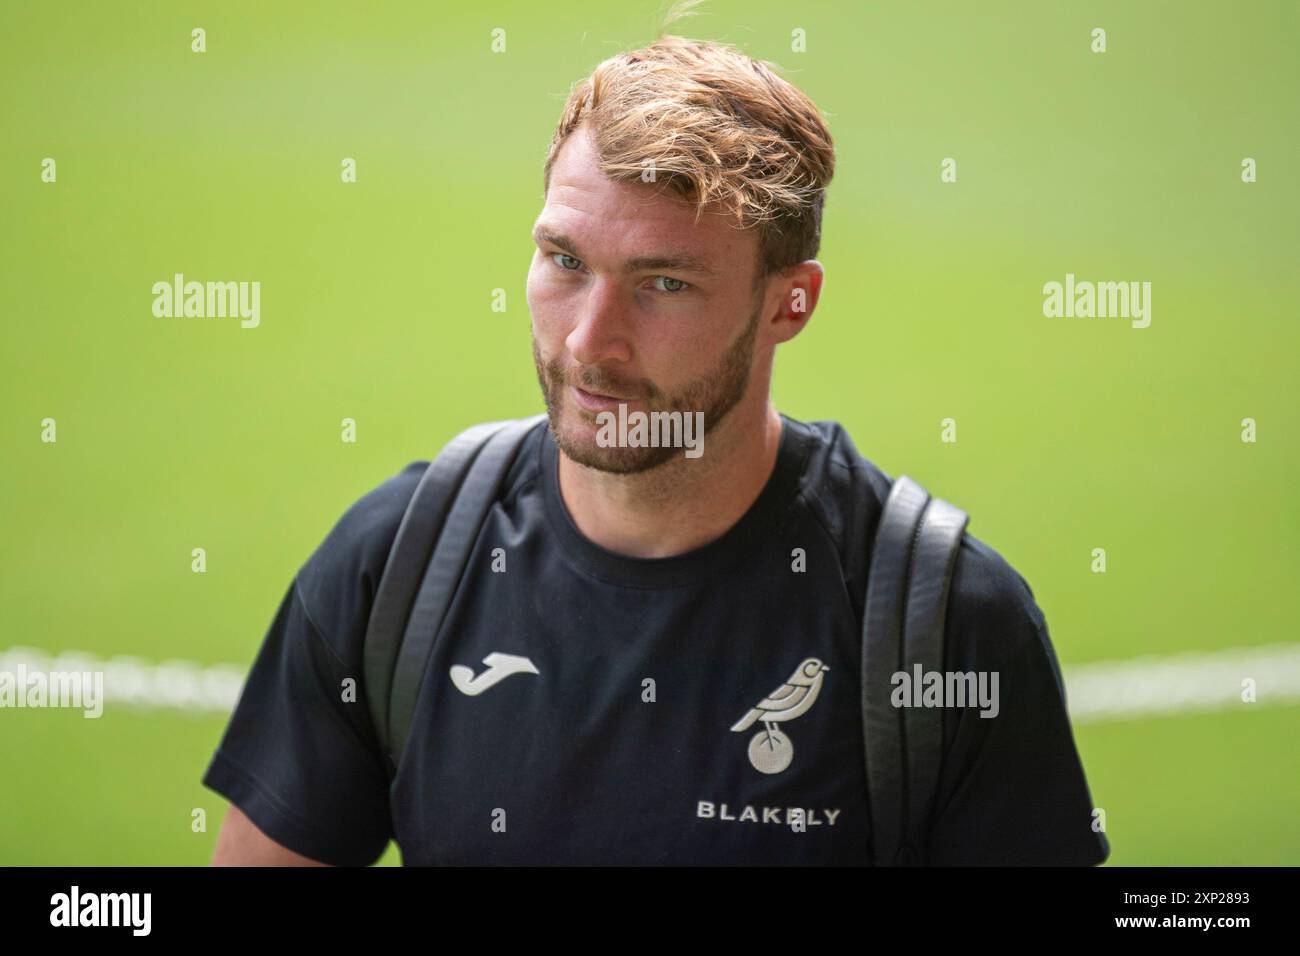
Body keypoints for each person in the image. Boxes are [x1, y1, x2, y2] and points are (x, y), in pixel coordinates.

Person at [203, 31, 1109, 867]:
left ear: (789, 303)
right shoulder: (397, 564)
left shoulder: (944, 623)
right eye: (565, 262)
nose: (591, 342)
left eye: (664, 283)